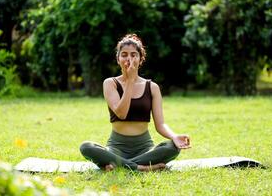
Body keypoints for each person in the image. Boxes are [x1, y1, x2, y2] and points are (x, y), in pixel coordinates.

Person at [80, 34, 191, 171]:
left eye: (134, 55)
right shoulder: (110, 83)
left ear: (140, 59)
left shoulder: (152, 87)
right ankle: (141, 167)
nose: (129, 59)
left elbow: (160, 124)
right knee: (86, 147)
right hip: (116, 148)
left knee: (172, 148)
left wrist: (174, 136)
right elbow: (121, 113)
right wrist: (130, 81)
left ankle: (120, 165)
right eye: (124, 54)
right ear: (118, 59)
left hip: (145, 149)